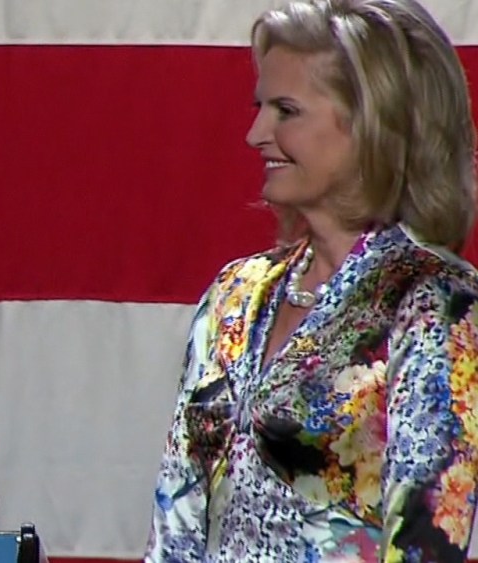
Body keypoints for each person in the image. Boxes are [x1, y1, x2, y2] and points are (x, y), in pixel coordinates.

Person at [146, 0, 478, 560]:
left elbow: (428, 542)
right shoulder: (234, 295)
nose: (255, 134)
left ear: (374, 124)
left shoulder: (437, 304)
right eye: (260, 107)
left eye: (286, 110)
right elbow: (175, 519)